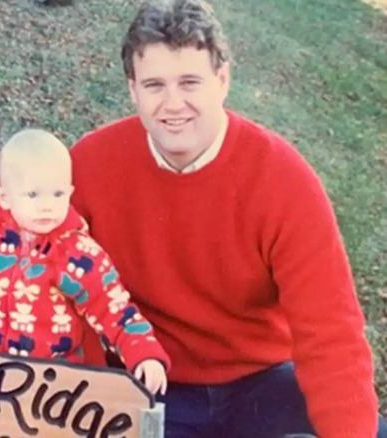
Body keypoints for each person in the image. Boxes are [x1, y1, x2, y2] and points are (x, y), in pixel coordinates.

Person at [68, 0, 386, 437]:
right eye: (155, 84)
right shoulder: (89, 164)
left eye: (190, 82)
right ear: (132, 89)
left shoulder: (282, 179)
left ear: (222, 80)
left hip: (261, 382)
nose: (173, 103)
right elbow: (32, 258)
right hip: (149, 380)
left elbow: (331, 335)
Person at [0, 128, 170, 394]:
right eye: (33, 195)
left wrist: (142, 352)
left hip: (46, 384)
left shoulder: (79, 254)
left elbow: (113, 307)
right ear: (4, 197)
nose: (47, 205)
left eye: (58, 194)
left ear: (71, 192)